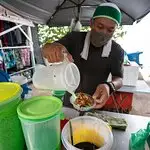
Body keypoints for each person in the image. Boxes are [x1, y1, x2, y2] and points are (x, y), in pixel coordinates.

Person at [42, 3, 124, 109]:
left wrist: (109, 86)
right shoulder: (75, 38)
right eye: (100, 26)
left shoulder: (116, 51)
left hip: (95, 103)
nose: (104, 33)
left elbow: (119, 79)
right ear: (91, 23)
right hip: (70, 100)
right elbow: (52, 47)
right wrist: (50, 48)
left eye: (110, 30)